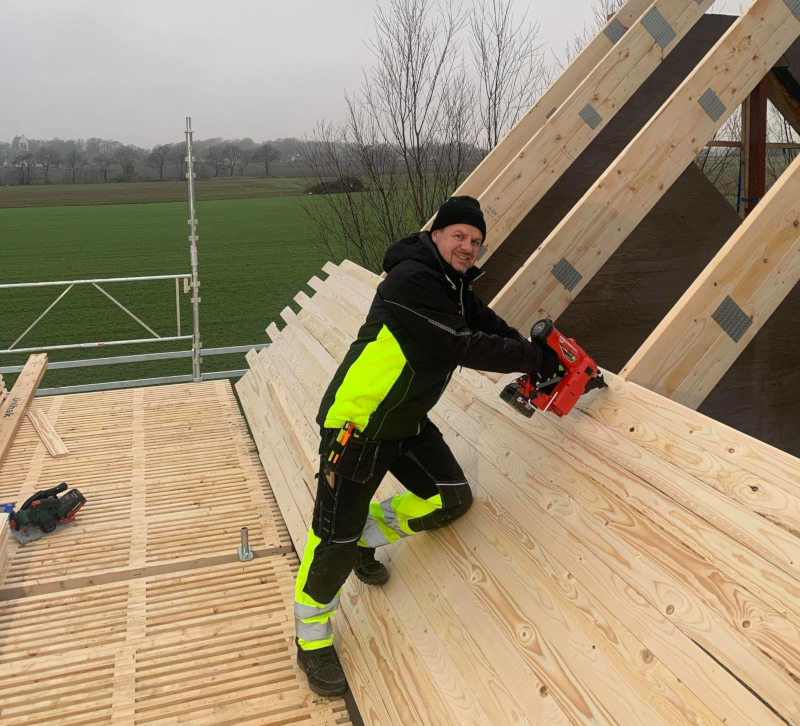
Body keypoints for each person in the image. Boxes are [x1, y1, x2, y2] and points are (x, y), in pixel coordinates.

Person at [294, 195, 556, 696]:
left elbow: (486, 325)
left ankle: (364, 537)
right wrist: (533, 360)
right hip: (359, 424)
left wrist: (536, 355)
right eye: (459, 235)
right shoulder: (411, 279)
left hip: (406, 419)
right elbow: (460, 343)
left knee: (451, 497)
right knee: (331, 538)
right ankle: (311, 639)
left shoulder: (452, 285)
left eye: (476, 241)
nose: (468, 247)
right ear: (436, 235)